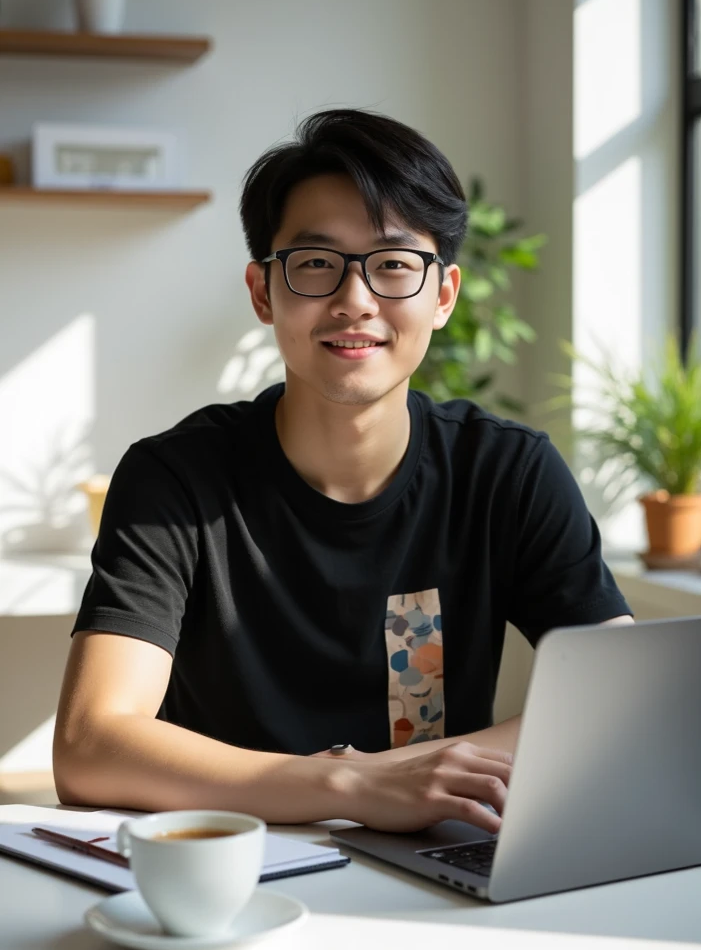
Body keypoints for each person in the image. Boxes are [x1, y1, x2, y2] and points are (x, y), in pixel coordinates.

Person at [53, 109, 633, 835]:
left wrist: (426, 777)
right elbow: (88, 746)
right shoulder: (174, 479)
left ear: (443, 294)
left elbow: (622, 699)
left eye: (393, 264)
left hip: (437, 859)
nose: (354, 299)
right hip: (232, 863)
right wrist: (353, 784)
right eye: (317, 263)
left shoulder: (506, 471)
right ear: (263, 291)